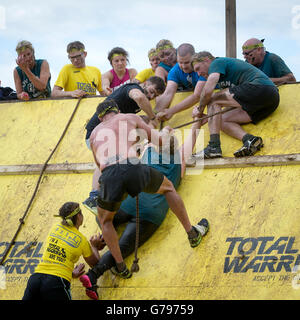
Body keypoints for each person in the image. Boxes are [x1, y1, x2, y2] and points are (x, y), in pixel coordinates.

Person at [79, 101, 209, 299]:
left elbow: (101, 163)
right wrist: (191, 123)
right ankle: (191, 232)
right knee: (167, 190)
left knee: (105, 220)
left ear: (100, 118)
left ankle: (114, 256)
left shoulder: (100, 134)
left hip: (118, 187)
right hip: (148, 209)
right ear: (118, 111)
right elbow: (169, 140)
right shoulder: (177, 158)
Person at [83, 77, 166, 212]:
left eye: (154, 95)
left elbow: (135, 120)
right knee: (109, 158)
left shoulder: (130, 109)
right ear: (145, 84)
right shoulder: (134, 88)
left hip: (105, 134)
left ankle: (102, 193)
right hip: (97, 133)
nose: (150, 96)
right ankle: (93, 196)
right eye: (151, 91)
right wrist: (152, 117)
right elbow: (139, 97)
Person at [191, 51, 280, 159]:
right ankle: (249, 139)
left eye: (198, 69)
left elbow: (208, 92)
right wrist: (211, 117)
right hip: (270, 101)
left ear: (206, 60)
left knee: (212, 99)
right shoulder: (224, 75)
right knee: (222, 120)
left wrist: (199, 111)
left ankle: (213, 147)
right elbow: (235, 100)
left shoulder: (216, 63)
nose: (198, 74)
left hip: (260, 87)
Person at [22, 202, 102, 300]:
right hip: (56, 282)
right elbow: (95, 264)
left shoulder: (54, 228)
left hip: (35, 279)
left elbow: (57, 257)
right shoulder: (81, 240)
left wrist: (70, 273)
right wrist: (94, 246)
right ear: (78, 216)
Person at [155, 43, 206, 121]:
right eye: (180, 62)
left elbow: (197, 96)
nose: (183, 66)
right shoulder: (174, 71)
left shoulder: (203, 66)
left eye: (187, 62)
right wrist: (154, 115)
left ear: (194, 57)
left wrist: (171, 111)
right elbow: (168, 93)